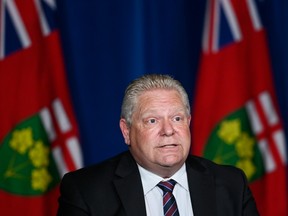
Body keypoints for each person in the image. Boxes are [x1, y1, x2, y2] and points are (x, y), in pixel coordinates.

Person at [57, 74, 259, 216]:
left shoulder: (232, 184)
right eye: (152, 121)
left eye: (177, 118)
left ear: (188, 123)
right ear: (126, 131)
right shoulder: (86, 191)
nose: (168, 130)